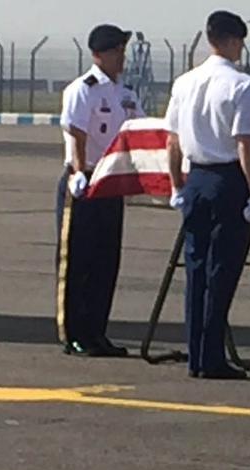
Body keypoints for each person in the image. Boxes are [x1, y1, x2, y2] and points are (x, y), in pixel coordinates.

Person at [165, 10, 250, 380]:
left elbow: (172, 141)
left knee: (196, 271)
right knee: (221, 271)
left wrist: (176, 185)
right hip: (227, 181)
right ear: (234, 41)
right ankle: (212, 357)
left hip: (196, 179)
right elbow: (245, 144)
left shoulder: (184, 82)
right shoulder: (241, 85)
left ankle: (197, 355)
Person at [57, 24, 143, 357]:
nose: (121, 57)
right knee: (79, 259)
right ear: (97, 55)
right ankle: (74, 333)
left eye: (122, 50)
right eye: (114, 51)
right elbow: (76, 133)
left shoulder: (126, 93)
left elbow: (137, 131)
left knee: (107, 260)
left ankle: (97, 331)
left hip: (111, 181)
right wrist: (79, 173)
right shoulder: (83, 89)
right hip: (84, 180)